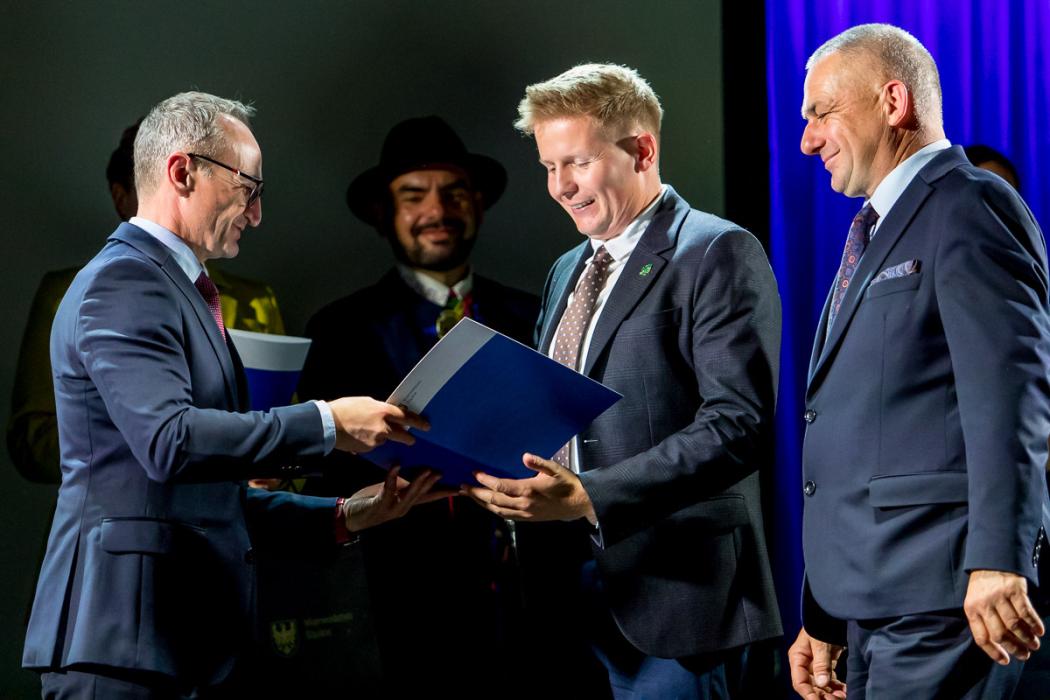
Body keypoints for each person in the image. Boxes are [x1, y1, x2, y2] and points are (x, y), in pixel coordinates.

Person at [20, 91, 445, 697]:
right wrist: (329, 422)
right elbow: (171, 443)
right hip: (128, 645)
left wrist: (350, 513)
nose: (257, 214)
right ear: (182, 172)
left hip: (171, 643)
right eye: (248, 188)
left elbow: (203, 497)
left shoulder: (172, 286)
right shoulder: (126, 281)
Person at [464, 63, 783, 698]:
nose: (560, 186)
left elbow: (738, 426)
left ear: (642, 150)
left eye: (577, 163)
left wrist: (590, 495)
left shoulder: (716, 251)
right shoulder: (566, 270)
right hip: (568, 599)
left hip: (682, 602)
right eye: (549, 167)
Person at [789, 24, 1050, 700]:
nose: (807, 140)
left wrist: (999, 559)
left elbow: (1010, 397)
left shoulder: (970, 203)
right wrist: (825, 611)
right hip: (873, 603)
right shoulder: (877, 228)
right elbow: (866, 430)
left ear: (893, 102)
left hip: (946, 598)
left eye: (821, 112)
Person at [296, 115, 540, 696]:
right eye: (414, 195)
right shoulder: (339, 330)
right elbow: (323, 475)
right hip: (392, 607)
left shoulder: (536, 316)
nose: (437, 210)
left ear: (478, 205)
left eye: (454, 192)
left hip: (529, 608)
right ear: (384, 213)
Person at [7, 119, 286, 485]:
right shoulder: (71, 292)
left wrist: (278, 470)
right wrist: (164, 443)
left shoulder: (255, 301)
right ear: (121, 197)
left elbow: (285, 427)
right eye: (152, 190)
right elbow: (32, 441)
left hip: (241, 513)